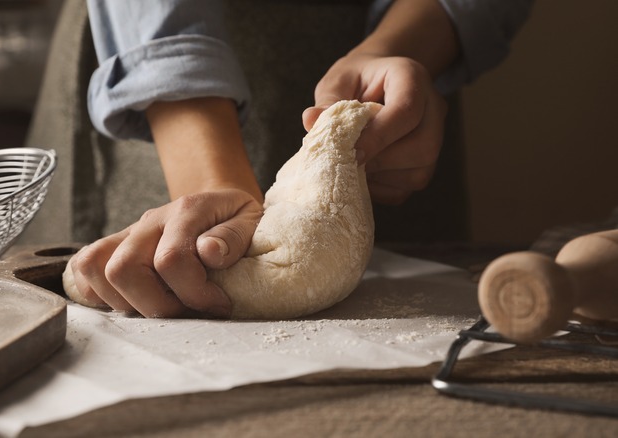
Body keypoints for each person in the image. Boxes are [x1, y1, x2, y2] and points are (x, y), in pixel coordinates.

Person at [67, 0, 533, 318]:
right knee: (148, 271)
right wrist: (210, 188)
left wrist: (397, 52)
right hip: (160, 83)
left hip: (404, 66)